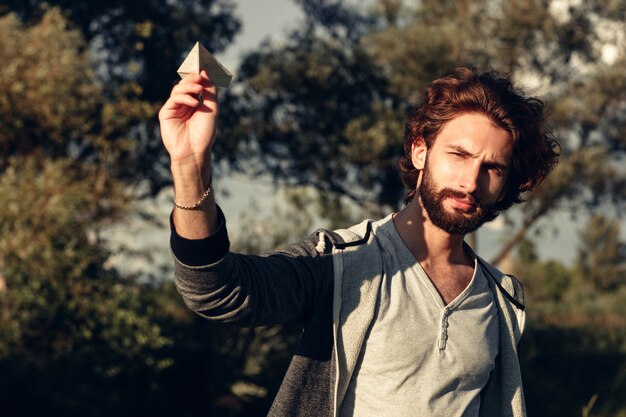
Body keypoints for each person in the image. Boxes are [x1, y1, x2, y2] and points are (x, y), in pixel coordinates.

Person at [159, 66, 559, 417]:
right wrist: (190, 169)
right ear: (421, 151)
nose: (470, 182)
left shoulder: (501, 300)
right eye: (458, 154)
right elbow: (216, 291)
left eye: (491, 168)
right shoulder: (341, 262)